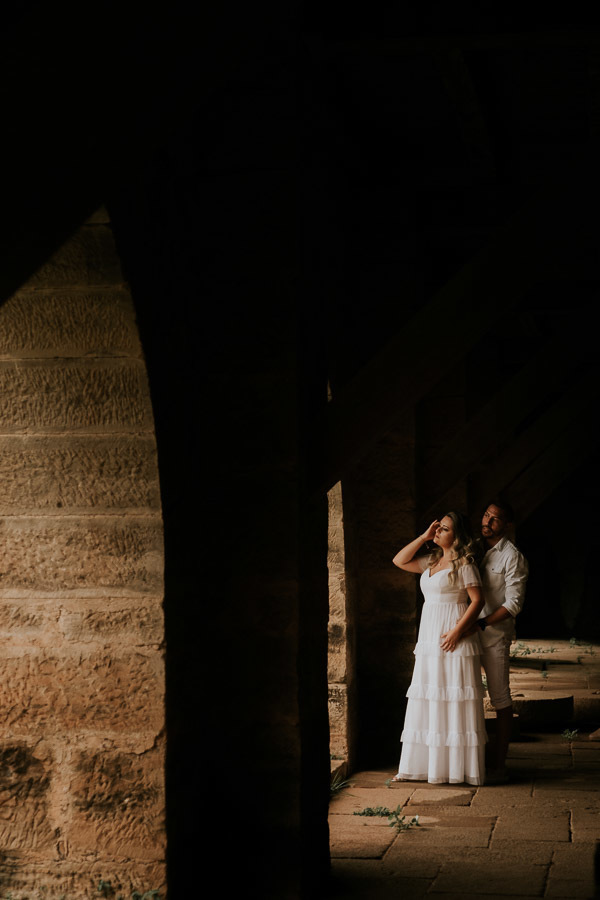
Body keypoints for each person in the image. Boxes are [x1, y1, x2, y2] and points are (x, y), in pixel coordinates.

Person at [391, 513, 487, 785]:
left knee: (453, 695)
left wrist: (457, 631)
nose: (438, 531)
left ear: (457, 536)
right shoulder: (432, 560)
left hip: (452, 634)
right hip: (429, 635)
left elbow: (477, 601)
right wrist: (424, 536)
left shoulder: (465, 564)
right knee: (431, 694)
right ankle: (425, 766)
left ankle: (456, 769)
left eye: (444, 529)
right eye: (438, 527)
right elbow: (399, 560)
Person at [472, 501, 528, 784]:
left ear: (506, 525)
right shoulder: (475, 549)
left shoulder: (512, 557)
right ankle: (472, 759)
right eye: (486, 515)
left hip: (493, 637)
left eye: (495, 519)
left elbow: (514, 604)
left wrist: (483, 622)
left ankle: (499, 765)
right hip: (467, 636)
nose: (488, 521)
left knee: (500, 698)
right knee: (467, 694)